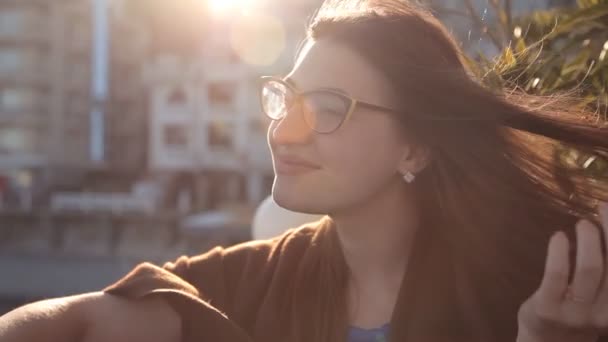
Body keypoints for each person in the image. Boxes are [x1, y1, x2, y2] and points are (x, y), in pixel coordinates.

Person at [2, 0, 608, 341]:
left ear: (415, 150)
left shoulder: (538, 288)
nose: (283, 129)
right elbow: (79, 324)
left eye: (325, 110)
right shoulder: (258, 282)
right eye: (284, 98)